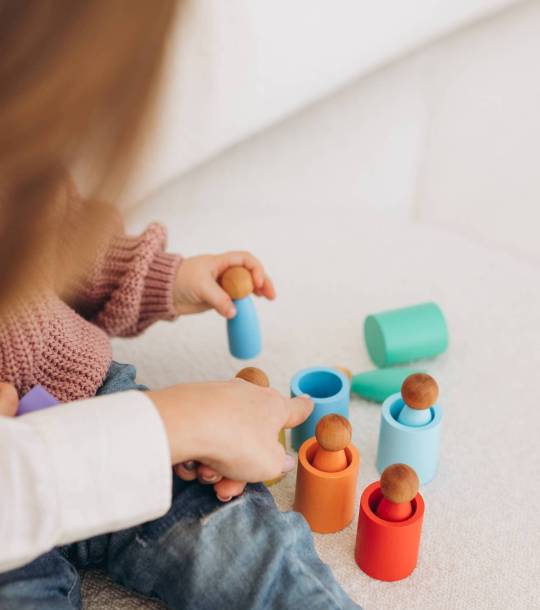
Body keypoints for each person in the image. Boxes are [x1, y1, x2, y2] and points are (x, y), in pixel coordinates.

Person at [0, 2, 360, 609]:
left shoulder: (17, 156)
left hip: (83, 395)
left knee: (241, 539)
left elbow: (61, 242)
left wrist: (169, 278)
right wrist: (183, 418)